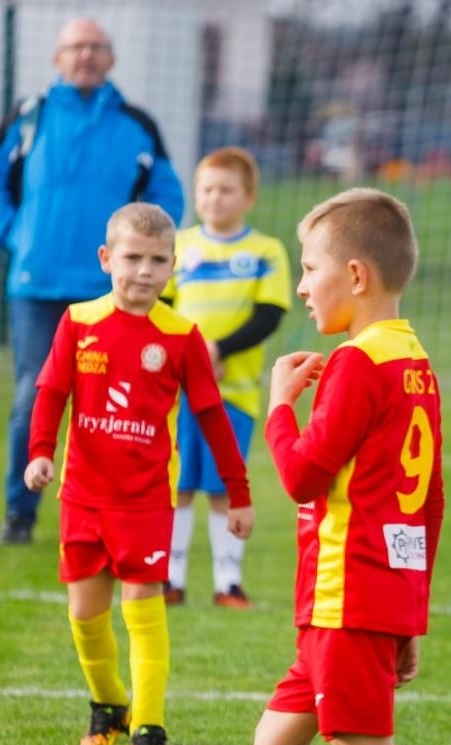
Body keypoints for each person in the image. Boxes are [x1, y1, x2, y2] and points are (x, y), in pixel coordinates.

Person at [170, 188, 451, 745]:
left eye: (311, 268)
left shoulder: (357, 363)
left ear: (355, 274)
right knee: (276, 742)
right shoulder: (412, 358)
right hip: (362, 599)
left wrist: (278, 406)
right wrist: (409, 615)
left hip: (347, 598)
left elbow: (303, 476)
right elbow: (427, 503)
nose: (302, 286)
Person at [23, 204, 254, 745]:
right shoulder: (78, 323)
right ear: (107, 259)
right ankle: (108, 706)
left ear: (173, 267)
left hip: (147, 502)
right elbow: (52, 391)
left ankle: (149, 728)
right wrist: (40, 453)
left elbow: (212, 416)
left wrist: (239, 493)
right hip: (83, 496)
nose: (144, 271)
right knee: (84, 614)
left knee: (143, 610)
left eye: (157, 260)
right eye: (132, 258)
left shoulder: (180, 335)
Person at [0, 17, 184, 547]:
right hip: (36, 284)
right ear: (57, 58)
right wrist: (12, 234)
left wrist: (146, 261)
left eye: (95, 47)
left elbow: (168, 194)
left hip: (112, 290)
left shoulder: (138, 124)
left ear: (111, 59)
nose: (85, 55)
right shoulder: (28, 117)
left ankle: (112, 517)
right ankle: (19, 515)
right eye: (75, 47)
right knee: (33, 396)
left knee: (118, 402)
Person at [161, 147, 290, 609]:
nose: (214, 199)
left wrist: (218, 350)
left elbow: (270, 315)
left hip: (232, 394)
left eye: (225, 190)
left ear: (249, 197)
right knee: (177, 485)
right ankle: (169, 579)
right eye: (206, 190)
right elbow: (164, 308)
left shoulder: (264, 251)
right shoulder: (180, 246)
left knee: (222, 487)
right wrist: (188, 354)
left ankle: (227, 583)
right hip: (178, 395)